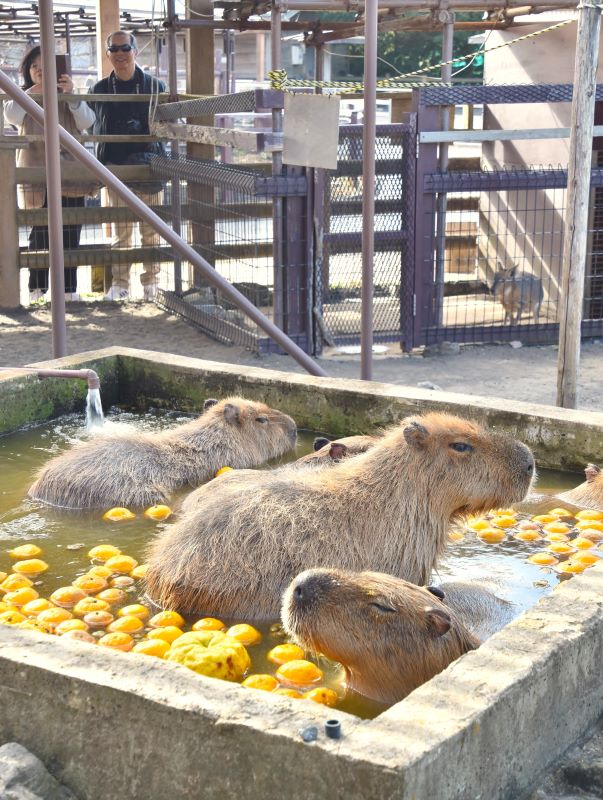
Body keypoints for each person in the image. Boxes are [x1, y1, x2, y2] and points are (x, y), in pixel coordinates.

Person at [5, 45, 97, 304]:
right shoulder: (22, 96)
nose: (40, 71)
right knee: (39, 233)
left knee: (71, 231)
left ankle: (68, 290)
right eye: (35, 67)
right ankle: (37, 288)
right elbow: (11, 116)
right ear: (28, 71)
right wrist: (33, 94)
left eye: (46, 67)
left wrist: (71, 96)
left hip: (69, 173)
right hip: (36, 174)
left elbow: (87, 122)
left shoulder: (69, 95)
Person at [90, 31, 166, 301]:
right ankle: (120, 284)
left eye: (125, 48)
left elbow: (168, 125)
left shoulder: (156, 86)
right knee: (121, 231)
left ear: (135, 51)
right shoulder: (99, 89)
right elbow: (87, 123)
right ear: (108, 53)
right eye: (114, 49)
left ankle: (152, 284)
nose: (120, 54)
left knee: (151, 231)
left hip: (149, 166)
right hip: (115, 168)